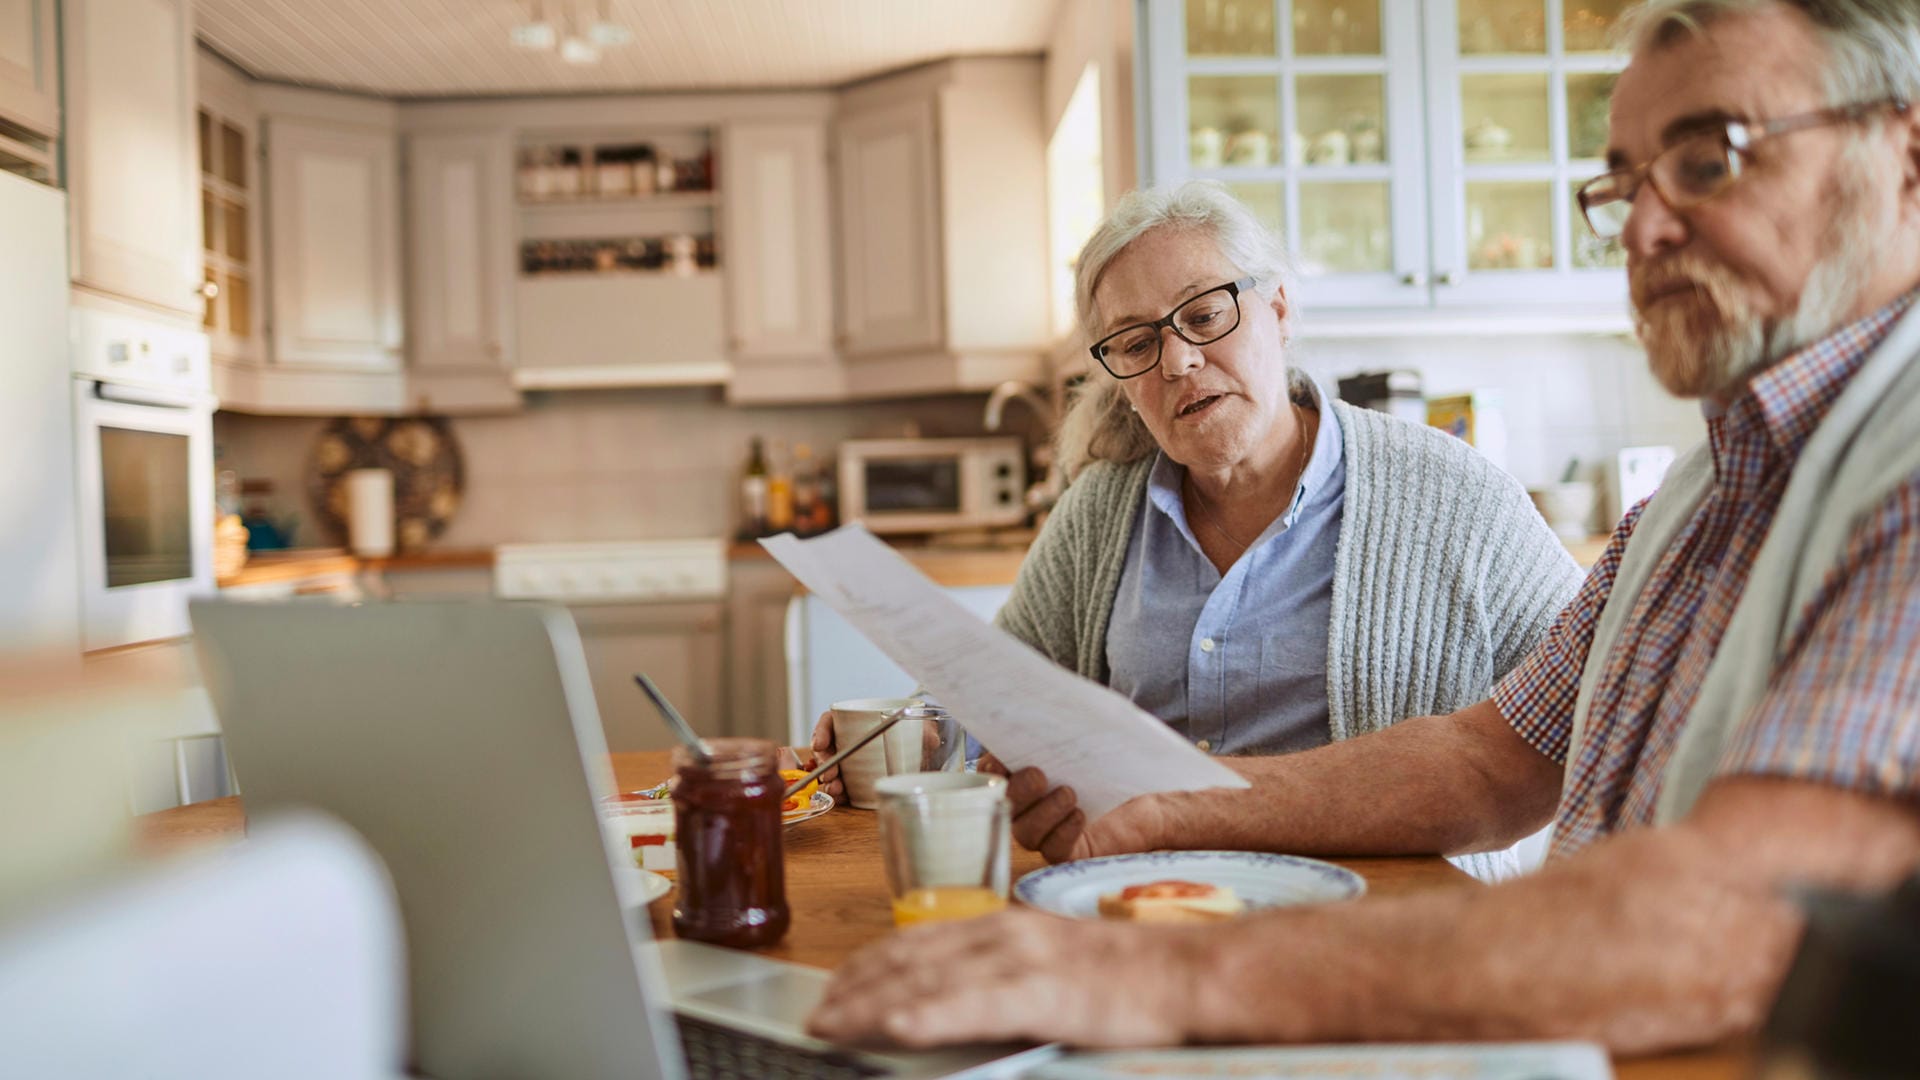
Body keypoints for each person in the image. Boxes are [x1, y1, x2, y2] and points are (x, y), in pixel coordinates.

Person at [807, 0, 1920, 1056]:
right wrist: (1160, 807)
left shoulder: (1903, 469)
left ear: (1907, 159)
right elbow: (1487, 760)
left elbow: (1730, 924)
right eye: (1623, 183)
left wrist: (1150, 982)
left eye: (1709, 156)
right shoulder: (1695, 501)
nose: (1642, 228)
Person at [813, 180, 1583, 881]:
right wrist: (917, 731)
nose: (1178, 361)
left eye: (1205, 315)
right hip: (1144, 902)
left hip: (1385, 928)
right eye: (1138, 343)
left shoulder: (1454, 493)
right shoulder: (1100, 513)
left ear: (1278, 310)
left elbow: (1592, 702)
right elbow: (996, 692)